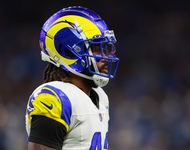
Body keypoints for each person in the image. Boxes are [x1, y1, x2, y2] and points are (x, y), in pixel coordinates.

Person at [25, 6, 120, 150]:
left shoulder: (100, 96)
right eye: (96, 49)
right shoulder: (53, 98)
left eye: (106, 48)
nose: (106, 57)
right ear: (68, 52)